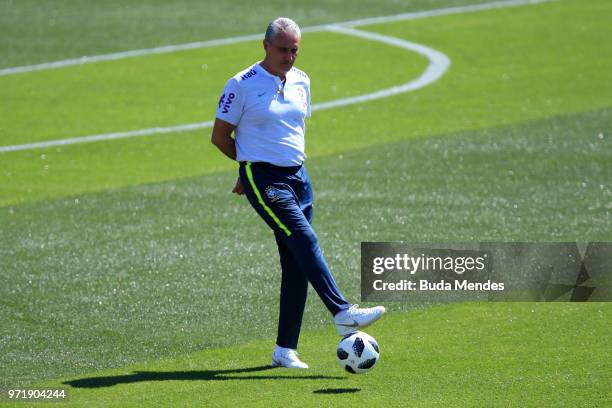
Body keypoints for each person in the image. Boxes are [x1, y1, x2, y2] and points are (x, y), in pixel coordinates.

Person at [211, 17, 385, 369]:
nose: (289, 56)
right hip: (265, 178)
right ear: (265, 46)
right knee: (305, 240)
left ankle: (284, 350)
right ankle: (342, 312)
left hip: (299, 177)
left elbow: (291, 129)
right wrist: (247, 168)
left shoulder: (302, 80)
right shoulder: (240, 84)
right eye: (282, 49)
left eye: (294, 50)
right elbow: (220, 137)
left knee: (296, 262)